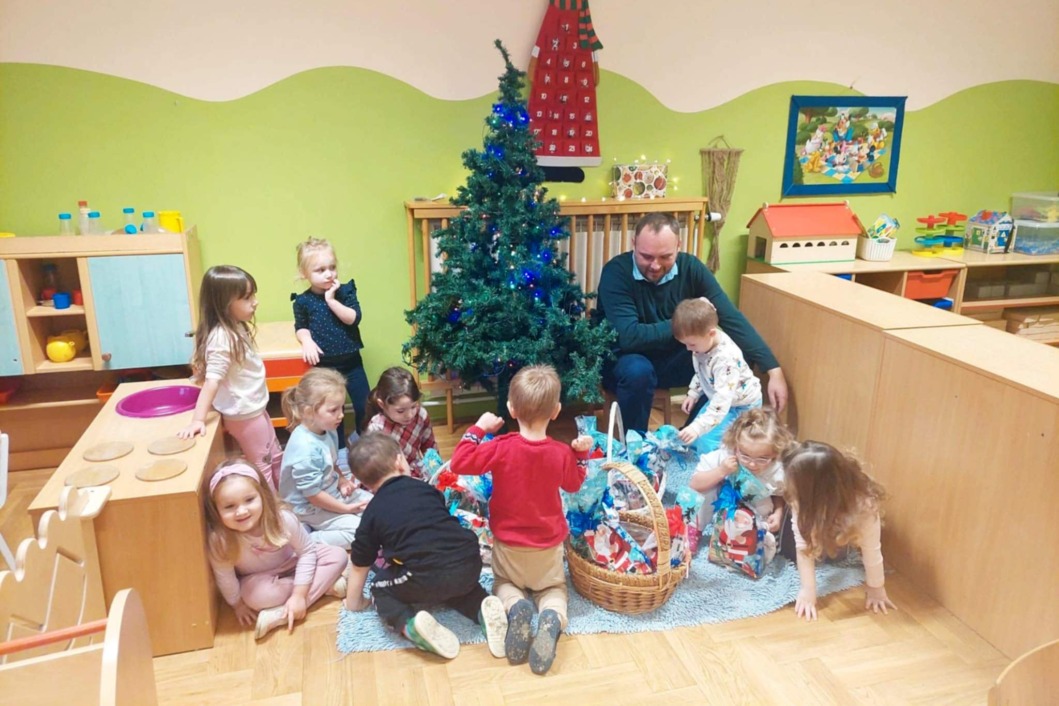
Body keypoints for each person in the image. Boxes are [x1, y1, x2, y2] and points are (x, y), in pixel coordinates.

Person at [450, 364, 592, 675]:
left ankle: (516, 607)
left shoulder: (500, 447)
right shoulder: (560, 453)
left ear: (511, 409)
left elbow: (459, 461)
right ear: (556, 411)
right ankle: (552, 616)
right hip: (548, 547)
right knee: (554, 590)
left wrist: (479, 428)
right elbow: (574, 484)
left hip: (509, 544)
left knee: (504, 584)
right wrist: (581, 456)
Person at [593, 212, 787, 433]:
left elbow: (730, 318)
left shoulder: (691, 268)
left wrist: (773, 369)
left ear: (678, 246)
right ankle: (636, 443)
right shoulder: (616, 272)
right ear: (633, 244)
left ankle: (690, 436)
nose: (655, 265)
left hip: (672, 358)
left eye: (665, 257)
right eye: (646, 256)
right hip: (625, 361)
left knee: (731, 357)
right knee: (638, 372)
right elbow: (630, 337)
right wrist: (685, 322)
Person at [343, 433, 508, 660]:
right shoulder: (426, 489)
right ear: (399, 461)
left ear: (364, 482)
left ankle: (410, 626)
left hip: (425, 575)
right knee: (460, 587)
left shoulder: (372, 512)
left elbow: (360, 562)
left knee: (379, 587)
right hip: (468, 561)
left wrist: (355, 602)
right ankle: (482, 610)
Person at [204, 460, 349, 640]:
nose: (241, 511)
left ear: (263, 496)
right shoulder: (220, 541)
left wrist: (299, 595)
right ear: (216, 510)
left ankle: (282, 614)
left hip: (293, 561)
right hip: (259, 579)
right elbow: (225, 576)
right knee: (255, 597)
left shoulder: (282, 519)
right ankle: (323, 586)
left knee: (338, 555)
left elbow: (307, 551)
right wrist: (237, 605)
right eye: (229, 506)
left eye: (249, 500)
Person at [178, 265, 281, 489]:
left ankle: (282, 498)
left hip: (254, 407)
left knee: (274, 455)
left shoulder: (235, 326)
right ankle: (272, 505)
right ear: (224, 304)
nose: (255, 302)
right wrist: (198, 420)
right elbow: (212, 381)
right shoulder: (222, 337)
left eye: (253, 295)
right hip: (245, 414)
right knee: (262, 464)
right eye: (247, 297)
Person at [783, 440, 895, 621]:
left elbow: (872, 549)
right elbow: (803, 547)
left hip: (837, 518)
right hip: (814, 517)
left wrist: (876, 587)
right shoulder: (800, 501)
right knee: (788, 550)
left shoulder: (863, 506)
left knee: (835, 555)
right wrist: (808, 591)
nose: (789, 488)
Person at [292, 237, 369, 466]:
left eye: (332, 267)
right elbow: (300, 327)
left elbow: (353, 318)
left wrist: (331, 300)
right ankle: (340, 451)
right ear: (304, 273)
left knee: (364, 405)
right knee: (333, 411)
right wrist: (306, 340)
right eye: (320, 270)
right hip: (325, 368)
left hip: (352, 363)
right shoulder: (303, 301)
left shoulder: (345, 291)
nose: (329, 274)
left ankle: (361, 441)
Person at [279, 368, 373, 547]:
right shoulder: (306, 449)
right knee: (360, 533)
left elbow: (331, 463)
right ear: (308, 412)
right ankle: (306, 540)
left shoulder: (327, 429)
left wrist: (342, 480)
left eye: (341, 408)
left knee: (377, 506)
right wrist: (345, 509)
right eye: (333, 410)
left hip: (329, 493)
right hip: (307, 508)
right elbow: (313, 495)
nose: (341, 415)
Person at [689, 408, 794, 560]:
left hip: (752, 509)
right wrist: (721, 471)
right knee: (704, 492)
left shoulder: (777, 470)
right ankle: (693, 529)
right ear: (735, 446)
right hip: (721, 500)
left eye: (762, 458)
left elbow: (779, 494)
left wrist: (778, 513)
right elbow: (695, 484)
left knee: (766, 507)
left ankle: (752, 537)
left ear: (776, 454)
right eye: (745, 456)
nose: (752, 464)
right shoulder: (724, 456)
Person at [672, 297, 763, 455]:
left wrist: (697, 427)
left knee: (711, 442)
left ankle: (716, 468)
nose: (688, 349)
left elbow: (721, 402)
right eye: (685, 344)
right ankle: (701, 464)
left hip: (741, 406)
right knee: (697, 438)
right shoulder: (702, 345)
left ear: (711, 333)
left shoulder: (726, 360)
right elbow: (703, 370)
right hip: (721, 399)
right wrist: (694, 392)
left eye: (691, 344)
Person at [365, 367, 439, 480]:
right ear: (382, 404)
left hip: (416, 471)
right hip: (390, 477)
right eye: (400, 411)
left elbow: (430, 447)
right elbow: (378, 469)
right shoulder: (377, 428)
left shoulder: (421, 415)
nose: (409, 415)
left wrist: (437, 472)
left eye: (413, 406)